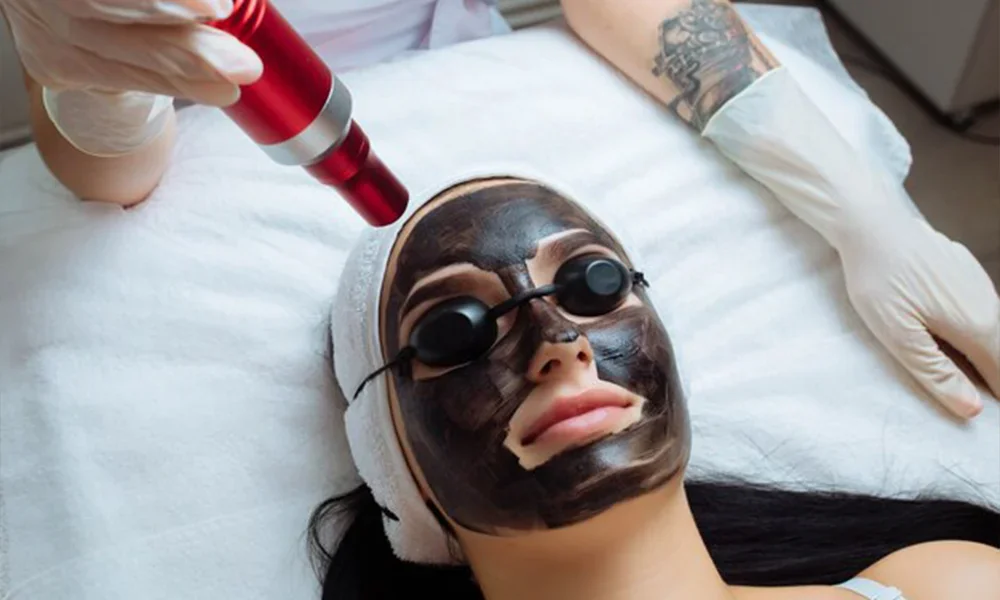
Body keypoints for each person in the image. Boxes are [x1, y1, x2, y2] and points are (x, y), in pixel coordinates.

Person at [2, 0, 996, 420]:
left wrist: (865, 213)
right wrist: (100, 90)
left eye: (593, 287)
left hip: (490, 77)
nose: (559, 349)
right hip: (222, 142)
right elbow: (109, 176)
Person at [317, 174, 999, 600]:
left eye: (594, 284)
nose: (558, 343)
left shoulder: (952, 582)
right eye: (457, 332)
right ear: (393, 464)